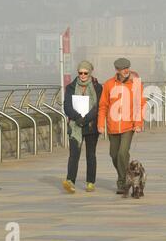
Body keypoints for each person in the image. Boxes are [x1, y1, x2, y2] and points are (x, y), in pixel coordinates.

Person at [97, 58, 146, 194]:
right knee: (114, 154)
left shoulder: (135, 84)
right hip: (112, 126)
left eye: (127, 68)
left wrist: (138, 124)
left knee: (122, 153)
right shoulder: (108, 84)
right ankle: (124, 176)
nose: (126, 71)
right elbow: (103, 106)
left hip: (128, 126)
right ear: (117, 70)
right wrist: (100, 124)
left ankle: (123, 181)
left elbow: (140, 104)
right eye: (123, 69)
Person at [62, 61, 103, 194]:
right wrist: (78, 117)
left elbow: (98, 106)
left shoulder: (97, 87)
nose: (83, 75)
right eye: (80, 73)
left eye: (85, 73)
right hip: (76, 125)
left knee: (91, 154)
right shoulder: (71, 87)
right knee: (74, 155)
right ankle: (70, 181)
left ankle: (90, 182)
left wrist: (87, 119)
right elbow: (67, 106)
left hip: (91, 125)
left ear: (90, 73)